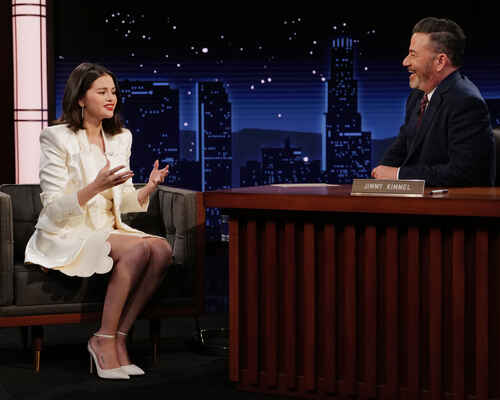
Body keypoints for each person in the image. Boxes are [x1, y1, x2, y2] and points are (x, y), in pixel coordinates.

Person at [25, 63, 172, 380]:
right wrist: (94, 187)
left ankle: (119, 336)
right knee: (138, 249)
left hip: (107, 228)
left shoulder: (120, 138)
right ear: (81, 98)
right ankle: (103, 339)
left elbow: (123, 199)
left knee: (161, 250)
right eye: (102, 92)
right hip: (67, 231)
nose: (111, 98)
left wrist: (148, 188)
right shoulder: (56, 137)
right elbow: (52, 208)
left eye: (114, 92)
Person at [371, 17, 495, 187]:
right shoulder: (417, 96)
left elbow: (464, 174)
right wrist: (379, 176)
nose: (405, 62)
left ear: (440, 61)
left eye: (413, 54)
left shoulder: (466, 102)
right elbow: (402, 147)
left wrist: (398, 174)